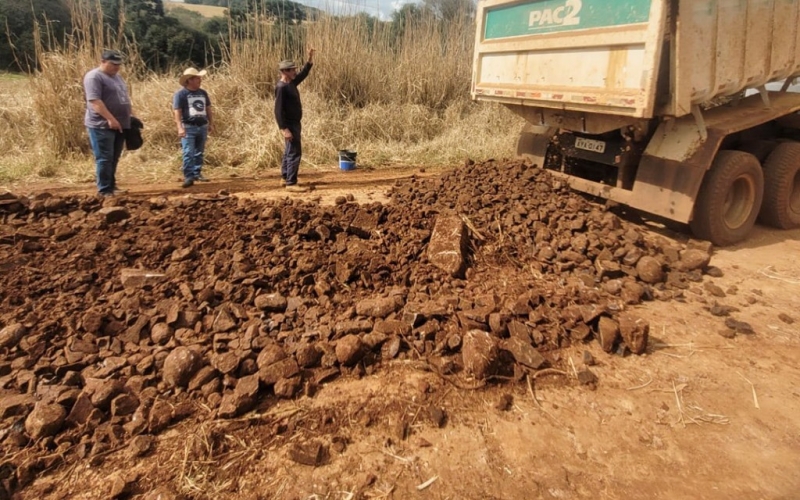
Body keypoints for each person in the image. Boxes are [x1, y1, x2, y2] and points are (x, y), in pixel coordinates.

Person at [83, 49, 133, 197]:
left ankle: (111, 185)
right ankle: (104, 189)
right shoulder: (94, 77)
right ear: (103, 62)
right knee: (104, 157)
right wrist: (110, 119)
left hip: (120, 124)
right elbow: (95, 101)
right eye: (113, 64)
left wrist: (130, 116)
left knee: (114, 157)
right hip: (102, 125)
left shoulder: (117, 77)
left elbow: (124, 97)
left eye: (119, 64)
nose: (116, 67)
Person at [274, 48, 315, 192]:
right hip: (290, 125)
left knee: (289, 151)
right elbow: (278, 111)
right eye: (292, 70)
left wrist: (309, 59)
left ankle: (285, 177)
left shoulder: (290, 83)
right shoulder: (281, 88)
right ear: (284, 71)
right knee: (294, 152)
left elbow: (304, 73)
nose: (295, 72)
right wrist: (284, 129)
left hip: (294, 123)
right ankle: (291, 183)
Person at [173, 67, 213, 188]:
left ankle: (197, 173)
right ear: (189, 80)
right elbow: (177, 112)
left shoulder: (203, 93)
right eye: (197, 78)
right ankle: (188, 176)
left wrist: (211, 123)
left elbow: (208, 108)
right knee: (188, 152)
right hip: (188, 127)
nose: (200, 80)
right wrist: (180, 127)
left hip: (202, 126)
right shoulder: (180, 94)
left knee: (199, 152)